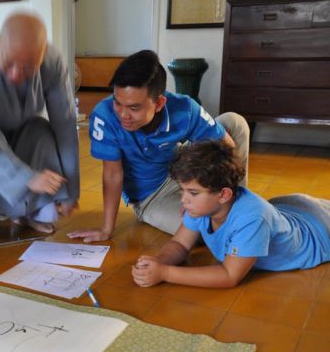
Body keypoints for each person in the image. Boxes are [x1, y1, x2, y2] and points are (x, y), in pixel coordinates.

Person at [67, 50, 250, 241]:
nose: (123, 115)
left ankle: (239, 201)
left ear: (160, 103)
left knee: (234, 122)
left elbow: (227, 146)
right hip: (152, 196)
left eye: (134, 108)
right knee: (198, 232)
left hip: (183, 167)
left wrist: (199, 187)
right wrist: (106, 229)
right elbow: (112, 174)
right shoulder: (104, 117)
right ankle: (228, 212)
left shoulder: (184, 108)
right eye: (118, 102)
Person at [0, 12, 80, 244]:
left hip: (20, 128)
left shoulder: (53, 61)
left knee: (41, 131)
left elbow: (66, 126)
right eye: (9, 63)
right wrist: (26, 178)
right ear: (0, 44)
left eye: (29, 68)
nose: (16, 75)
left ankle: (30, 212)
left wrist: (72, 189)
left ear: (41, 56)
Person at [132, 140, 330, 288]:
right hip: (289, 207)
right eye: (182, 191)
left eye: (192, 193)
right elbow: (180, 244)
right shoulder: (201, 206)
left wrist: (165, 273)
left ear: (223, 194)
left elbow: (229, 275)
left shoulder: (252, 218)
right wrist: (159, 262)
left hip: (320, 229)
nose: (183, 200)